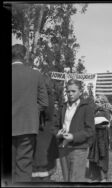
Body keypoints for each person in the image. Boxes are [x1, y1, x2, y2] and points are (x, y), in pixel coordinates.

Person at [12, 44, 48, 182]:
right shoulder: (35, 74)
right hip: (27, 127)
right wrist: (30, 110)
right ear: (24, 56)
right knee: (24, 167)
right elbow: (44, 103)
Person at [51, 79, 95, 182]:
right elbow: (55, 125)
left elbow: (90, 130)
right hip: (63, 147)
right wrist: (57, 134)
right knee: (66, 179)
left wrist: (74, 136)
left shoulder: (86, 107)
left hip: (78, 149)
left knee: (76, 180)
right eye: (68, 91)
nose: (70, 94)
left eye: (73, 91)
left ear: (80, 91)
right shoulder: (63, 106)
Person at [32, 74, 59, 182]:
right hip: (38, 147)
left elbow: (48, 112)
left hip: (42, 147)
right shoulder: (41, 99)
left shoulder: (46, 101)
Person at [88, 95, 112, 182]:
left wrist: (98, 122)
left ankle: (103, 177)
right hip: (94, 136)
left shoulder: (105, 111)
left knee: (102, 156)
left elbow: (106, 124)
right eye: (95, 101)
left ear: (102, 103)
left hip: (102, 137)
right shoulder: (93, 111)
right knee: (94, 155)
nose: (95, 103)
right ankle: (95, 176)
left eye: (97, 102)